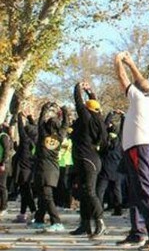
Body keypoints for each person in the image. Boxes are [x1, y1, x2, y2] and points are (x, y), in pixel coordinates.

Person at [114, 51, 149, 250]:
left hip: (139, 149)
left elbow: (122, 78)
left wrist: (118, 61)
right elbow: (141, 81)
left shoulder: (138, 98)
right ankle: (138, 232)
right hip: (138, 149)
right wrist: (131, 63)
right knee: (136, 193)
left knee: (144, 192)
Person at [70, 82, 108, 238]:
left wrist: (78, 87)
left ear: (87, 109)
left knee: (90, 192)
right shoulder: (98, 119)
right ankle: (85, 224)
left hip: (88, 160)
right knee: (83, 193)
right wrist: (90, 91)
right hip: (88, 160)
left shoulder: (86, 118)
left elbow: (78, 102)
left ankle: (100, 222)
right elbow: (93, 104)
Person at [32, 102, 69, 231]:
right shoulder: (59, 137)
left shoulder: (43, 136)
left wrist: (45, 107)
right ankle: (39, 219)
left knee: (47, 197)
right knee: (43, 196)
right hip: (53, 170)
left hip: (43, 169)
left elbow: (40, 121)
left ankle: (56, 222)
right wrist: (64, 110)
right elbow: (65, 124)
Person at [13, 112, 37, 223]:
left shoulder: (25, 142)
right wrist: (30, 118)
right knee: (24, 193)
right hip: (30, 170)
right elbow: (35, 128)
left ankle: (34, 211)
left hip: (23, 171)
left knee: (26, 193)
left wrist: (19, 117)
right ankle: (22, 214)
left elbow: (20, 129)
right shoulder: (35, 141)